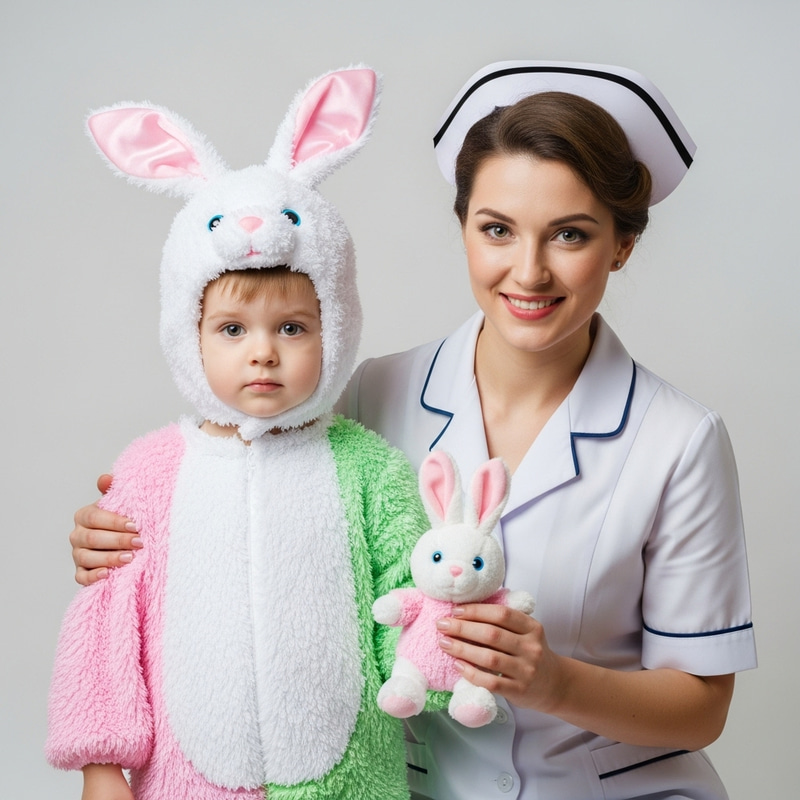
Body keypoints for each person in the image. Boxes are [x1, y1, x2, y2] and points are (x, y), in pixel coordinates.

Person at [68, 61, 757, 799]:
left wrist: (551, 680)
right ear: (463, 227)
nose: (528, 272)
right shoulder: (372, 394)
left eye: (570, 235)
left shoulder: (679, 440)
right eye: (498, 229)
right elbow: (249, 539)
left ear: (620, 245)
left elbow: (700, 707)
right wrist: (129, 536)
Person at [48, 69, 430, 800]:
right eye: (231, 329)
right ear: (187, 333)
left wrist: (440, 660)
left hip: (349, 780)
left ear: (336, 325)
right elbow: (106, 626)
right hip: (187, 781)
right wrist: (102, 765)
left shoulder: (368, 470)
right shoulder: (151, 471)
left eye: (293, 327)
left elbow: (407, 595)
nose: (263, 351)